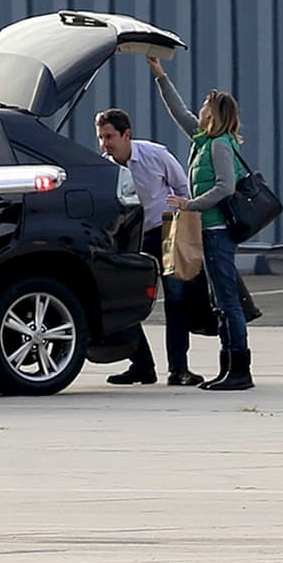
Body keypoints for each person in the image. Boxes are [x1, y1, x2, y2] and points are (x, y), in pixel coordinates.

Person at [147, 55, 254, 390]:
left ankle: (239, 369)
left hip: (218, 230)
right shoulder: (203, 140)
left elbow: (225, 187)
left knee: (227, 301)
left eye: (206, 105)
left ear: (214, 113)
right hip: (206, 229)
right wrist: (160, 74)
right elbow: (179, 112)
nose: (200, 108)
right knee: (219, 300)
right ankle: (227, 367)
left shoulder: (219, 145)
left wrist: (189, 204)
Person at [94, 108, 204, 387]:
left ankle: (179, 368)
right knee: (125, 300)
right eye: (101, 137)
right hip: (131, 237)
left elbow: (182, 188)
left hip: (167, 230)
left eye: (109, 137)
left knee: (176, 298)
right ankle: (142, 365)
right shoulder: (105, 168)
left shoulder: (155, 155)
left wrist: (182, 228)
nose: (105, 144)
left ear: (126, 135)